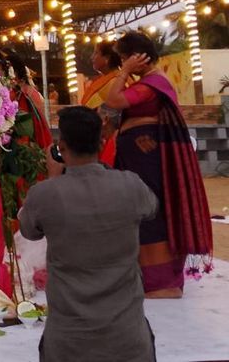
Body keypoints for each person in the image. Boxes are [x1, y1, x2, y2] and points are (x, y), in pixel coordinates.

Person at [19, 106, 158, 362]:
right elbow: (151, 208)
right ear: (102, 141)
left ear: (60, 147)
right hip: (128, 341)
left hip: (69, 345)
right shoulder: (131, 185)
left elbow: (29, 230)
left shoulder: (45, 194)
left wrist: (52, 177)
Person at [105, 31, 213, 298]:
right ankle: (152, 278)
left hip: (148, 158)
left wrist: (124, 73)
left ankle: (163, 282)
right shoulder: (148, 81)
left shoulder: (153, 83)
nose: (121, 64)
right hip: (140, 157)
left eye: (124, 58)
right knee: (143, 212)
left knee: (152, 211)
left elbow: (114, 100)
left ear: (138, 57)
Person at [81, 40, 123, 166]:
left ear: (107, 58)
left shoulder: (117, 80)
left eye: (96, 53)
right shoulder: (106, 78)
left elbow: (113, 114)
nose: (92, 57)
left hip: (107, 139)